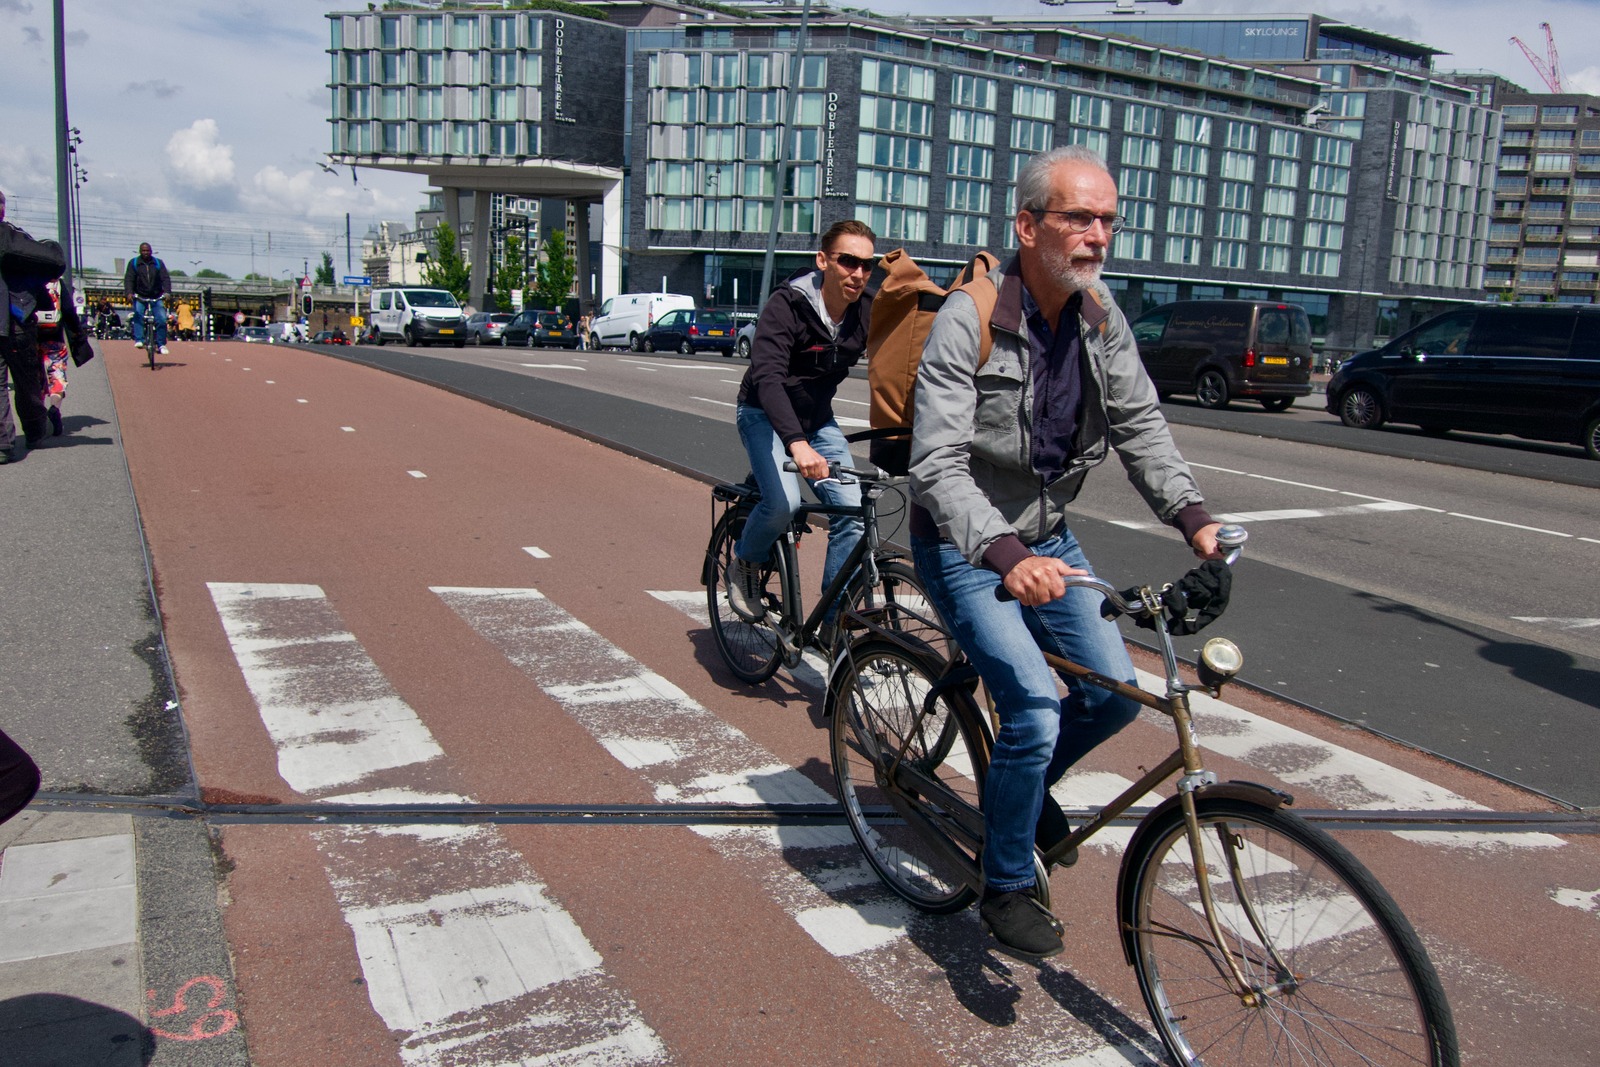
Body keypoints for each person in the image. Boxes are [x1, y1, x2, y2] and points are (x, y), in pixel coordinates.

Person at [908, 145, 1223, 960]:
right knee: (1035, 707)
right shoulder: (967, 317)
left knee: (1116, 693)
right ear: (1027, 225)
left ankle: (1022, 794)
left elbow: (1140, 424)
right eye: (1079, 218)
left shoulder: (1099, 314)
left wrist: (1195, 520)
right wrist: (1004, 552)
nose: (1097, 236)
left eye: (1108, 221)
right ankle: (1006, 879)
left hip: (1049, 535)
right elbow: (936, 464)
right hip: (966, 542)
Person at [726, 219, 876, 644]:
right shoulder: (787, 304)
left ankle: (833, 621)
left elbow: (902, 356)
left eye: (867, 265)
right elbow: (768, 378)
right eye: (848, 261)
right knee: (785, 502)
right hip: (761, 414)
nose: (858, 273)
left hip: (817, 421)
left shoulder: (866, 308)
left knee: (853, 514)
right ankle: (745, 564)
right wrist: (796, 444)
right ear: (823, 260)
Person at [1, 187, 66, 464]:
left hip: (13, 321)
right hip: (18, 322)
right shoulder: (14, 237)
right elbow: (50, 259)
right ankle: (36, 430)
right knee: (27, 383)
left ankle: (4, 444)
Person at [123, 241, 172, 355]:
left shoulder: (158, 263)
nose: (146, 252)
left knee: (161, 319)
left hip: (156, 296)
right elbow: (129, 279)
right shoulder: (134, 263)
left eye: (148, 250)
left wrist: (167, 292)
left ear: (151, 251)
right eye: (143, 251)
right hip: (140, 295)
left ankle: (161, 344)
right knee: (138, 315)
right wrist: (129, 293)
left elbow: (165, 278)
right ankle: (139, 340)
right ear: (140, 251)